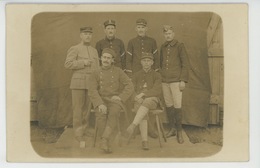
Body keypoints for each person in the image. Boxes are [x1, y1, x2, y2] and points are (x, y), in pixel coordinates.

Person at [88, 48, 134, 154]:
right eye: (104, 57)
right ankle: (105, 141)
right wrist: (99, 103)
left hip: (114, 100)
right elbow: (92, 90)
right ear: (101, 58)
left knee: (113, 113)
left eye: (109, 58)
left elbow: (130, 86)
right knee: (101, 114)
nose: (106, 60)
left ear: (112, 60)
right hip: (100, 99)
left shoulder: (118, 71)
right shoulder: (95, 72)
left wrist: (121, 97)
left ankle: (104, 140)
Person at [64, 26, 100, 147]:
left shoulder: (94, 51)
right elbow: (68, 64)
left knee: (87, 109)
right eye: (85, 34)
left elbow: (97, 68)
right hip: (78, 83)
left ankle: (84, 129)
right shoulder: (74, 48)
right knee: (78, 108)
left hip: (90, 83)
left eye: (90, 34)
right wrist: (83, 62)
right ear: (81, 35)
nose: (88, 36)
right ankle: (78, 133)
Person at [125, 18, 159, 138]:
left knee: (147, 100)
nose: (140, 29)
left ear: (146, 28)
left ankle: (150, 129)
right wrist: (129, 76)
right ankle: (136, 129)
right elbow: (128, 60)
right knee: (135, 100)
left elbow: (156, 58)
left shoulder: (152, 41)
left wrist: (154, 74)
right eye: (138, 27)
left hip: (149, 76)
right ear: (136, 29)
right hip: (136, 75)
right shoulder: (132, 42)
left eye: (143, 27)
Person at [160, 25, 190, 144]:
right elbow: (161, 63)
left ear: (174, 34)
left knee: (177, 106)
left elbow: (185, 64)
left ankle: (179, 132)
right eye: (166, 34)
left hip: (176, 81)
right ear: (164, 35)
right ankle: (172, 129)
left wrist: (183, 80)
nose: (168, 36)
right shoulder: (163, 47)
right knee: (169, 105)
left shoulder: (179, 46)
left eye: (170, 33)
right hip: (165, 81)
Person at [126, 52, 163, 150]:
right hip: (139, 100)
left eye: (148, 61)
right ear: (141, 62)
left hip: (153, 99)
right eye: (144, 61)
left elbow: (157, 90)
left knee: (146, 102)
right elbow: (131, 89)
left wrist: (143, 94)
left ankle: (133, 125)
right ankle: (144, 141)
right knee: (140, 107)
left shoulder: (157, 75)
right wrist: (135, 97)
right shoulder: (136, 75)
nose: (146, 63)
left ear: (152, 63)